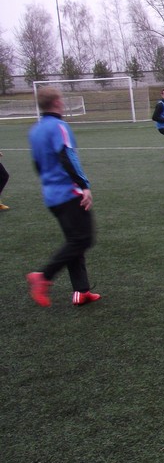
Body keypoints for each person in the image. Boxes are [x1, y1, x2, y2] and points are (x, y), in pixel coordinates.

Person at [26, 86, 100, 307]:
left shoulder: (35, 131)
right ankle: (44, 277)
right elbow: (67, 157)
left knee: (74, 241)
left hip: (51, 195)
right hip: (68, 193)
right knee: (83, 239)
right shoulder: (60, 126)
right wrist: (83, 185)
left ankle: (81, 291)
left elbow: (37, 164)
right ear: (57, 103)